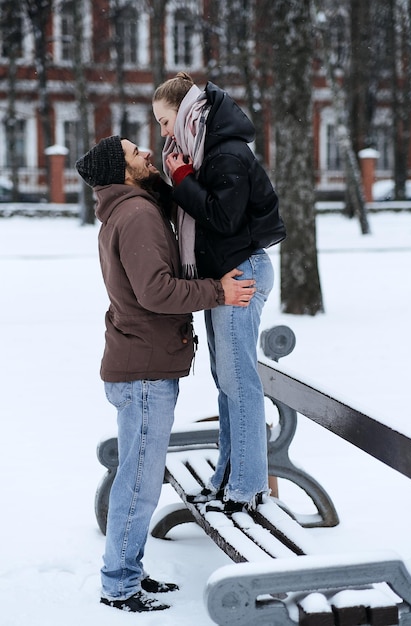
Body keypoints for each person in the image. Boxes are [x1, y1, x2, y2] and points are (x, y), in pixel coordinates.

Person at [75, 135, 255, 613]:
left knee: (138, 478)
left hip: (140, 364)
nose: (146, 154)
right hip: (144, 373)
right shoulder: (135, 216)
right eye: (136, 154)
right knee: (138, 483)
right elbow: (155, 292)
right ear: (122, 171)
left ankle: (127, 572)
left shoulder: (131, 208)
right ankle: (119, 585)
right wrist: (218, 291)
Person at [152, 72, 286, 515]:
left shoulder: (226, 153)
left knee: (239, 382)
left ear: (187, 111)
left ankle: (245, 488)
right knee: (226, 383)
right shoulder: (205, 149)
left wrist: (182, 179)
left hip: (240, 273)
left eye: (165, 120)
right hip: (224, 278)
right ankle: (229, 476)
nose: (163, 132)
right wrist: (180, 178)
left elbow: (223, 219)